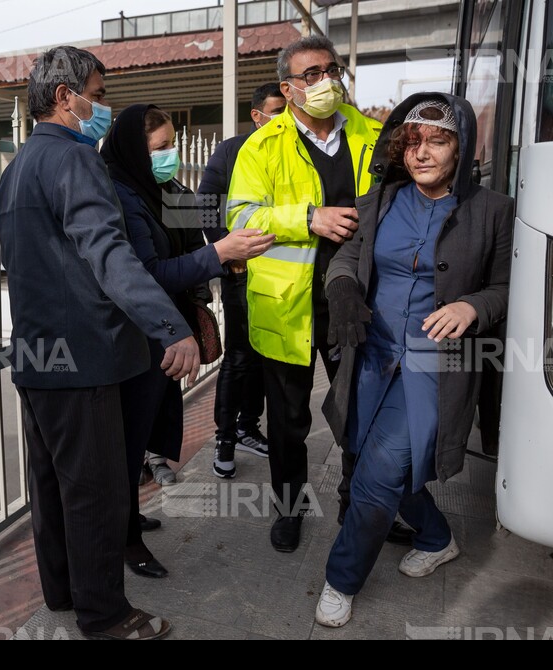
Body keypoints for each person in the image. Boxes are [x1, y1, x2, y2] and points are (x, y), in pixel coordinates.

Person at [0, 47, 202, 640]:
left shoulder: (18, 168)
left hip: (36, 357)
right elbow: (111, 258)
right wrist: (173, 327)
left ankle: (64, 591)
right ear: (66, 96)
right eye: (99, 92)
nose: (104, 107)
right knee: (98, 495)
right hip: (83, 359)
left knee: (54, 488)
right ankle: (107, 617)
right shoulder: (77, 162)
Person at [315, 94, 514, 627]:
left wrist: (472, 306)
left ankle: (341, 579)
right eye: (412, 142)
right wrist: (341, 291)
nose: (421, 153)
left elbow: (505, 288)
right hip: (372, 356)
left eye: (438, 141)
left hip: (435, 367)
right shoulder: (378, 200)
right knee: (367, 453)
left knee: (376, 476)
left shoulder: (492, 210)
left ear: (463, 148)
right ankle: (436, 535)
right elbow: (347, 258)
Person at [227, 36, 398, 553]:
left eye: (331, 70)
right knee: (288, 423)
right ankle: (290, 509)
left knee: (360, 413)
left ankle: (359, 506)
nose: (325, 81)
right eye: (311, 75)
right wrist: (307, 219)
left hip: (360, 299)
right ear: (288, 88)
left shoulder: (374, 134)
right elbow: (240, 219)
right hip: (289, 307)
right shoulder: (261, 146)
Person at [101, 104, 274, 578]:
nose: (171, 156)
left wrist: (223, 256)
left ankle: (129, 518)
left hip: (170, 332)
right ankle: (126, 541)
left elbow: (198, 236)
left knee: (144, 435)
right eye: (161, 148)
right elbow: (148, 272)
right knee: (127, 442)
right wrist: (219, 254)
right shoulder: (120, 196)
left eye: (173, 144)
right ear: (137, 152)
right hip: (137, 336)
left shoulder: (168, 190)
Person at [199, 83, 286, 479]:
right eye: (276, 110)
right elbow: (203, 205)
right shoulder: (232, 151)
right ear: (257, 115)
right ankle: (225, 437)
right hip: (243, 274)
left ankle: (249, 427)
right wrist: (226, 251)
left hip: (287, 277)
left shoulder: (293, 150)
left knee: (270, 357)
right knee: (239, 357)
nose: (283, 117)